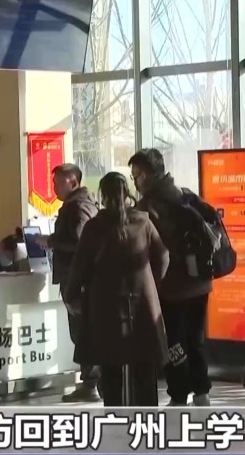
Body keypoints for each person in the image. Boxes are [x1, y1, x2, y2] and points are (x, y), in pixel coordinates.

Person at [65, 172, 169, 406]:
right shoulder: (143, 221)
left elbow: (79, 266)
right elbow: (163, 256)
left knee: (111, 370)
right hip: (143, 306)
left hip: (106, 308)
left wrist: (72, 296)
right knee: (144, 370)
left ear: (102, 195)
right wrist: (152, 284)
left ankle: (116, 419)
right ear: (127, 193)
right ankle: (147, 420)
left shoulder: (95, 227)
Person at [129, 148, 213, 406]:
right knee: (196, 339)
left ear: (145, 175)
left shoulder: (146, 208)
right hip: (201, 282)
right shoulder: (186, 196)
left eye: (135, 175)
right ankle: (202, 392)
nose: (134, 181)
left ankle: (178, 395)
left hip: (172, 287)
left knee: (173, 342)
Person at [35, 163, 101, 402]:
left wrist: (52, 242)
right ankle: (92, 382)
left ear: (73, 182)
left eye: (58, 183)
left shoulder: (77, 208)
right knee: (84, 332)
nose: (54, 188)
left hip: (78, 280)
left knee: (83, 333)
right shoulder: (84, 205)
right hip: (80, 279)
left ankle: (91, 384)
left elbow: (81, 243)